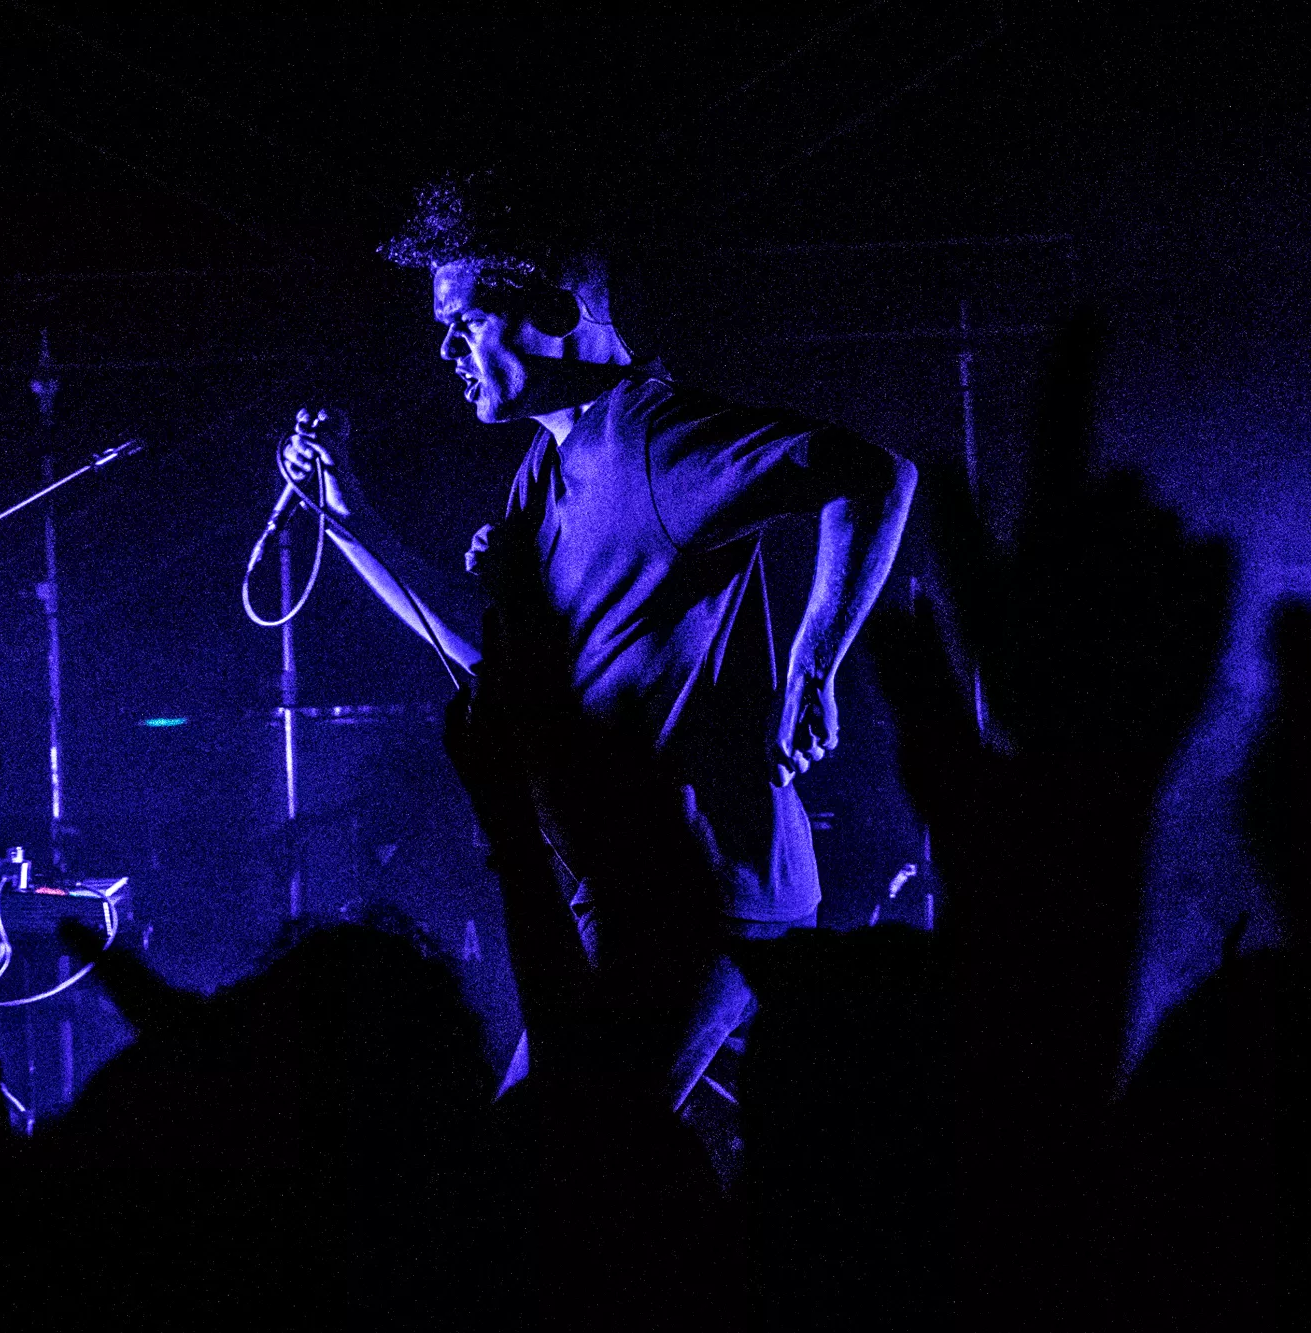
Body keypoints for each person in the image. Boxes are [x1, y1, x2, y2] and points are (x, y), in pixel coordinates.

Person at [278, 173, 917, 1112]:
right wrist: (350, 519)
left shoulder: (653, 439)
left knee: (555, 1151)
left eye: (465, 323)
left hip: (695, 890)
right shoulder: (544, 468)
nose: (447, 350)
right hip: (628, 889)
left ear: (550, 308)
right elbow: (494, 660)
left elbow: (870, 473)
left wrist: (812, 667)